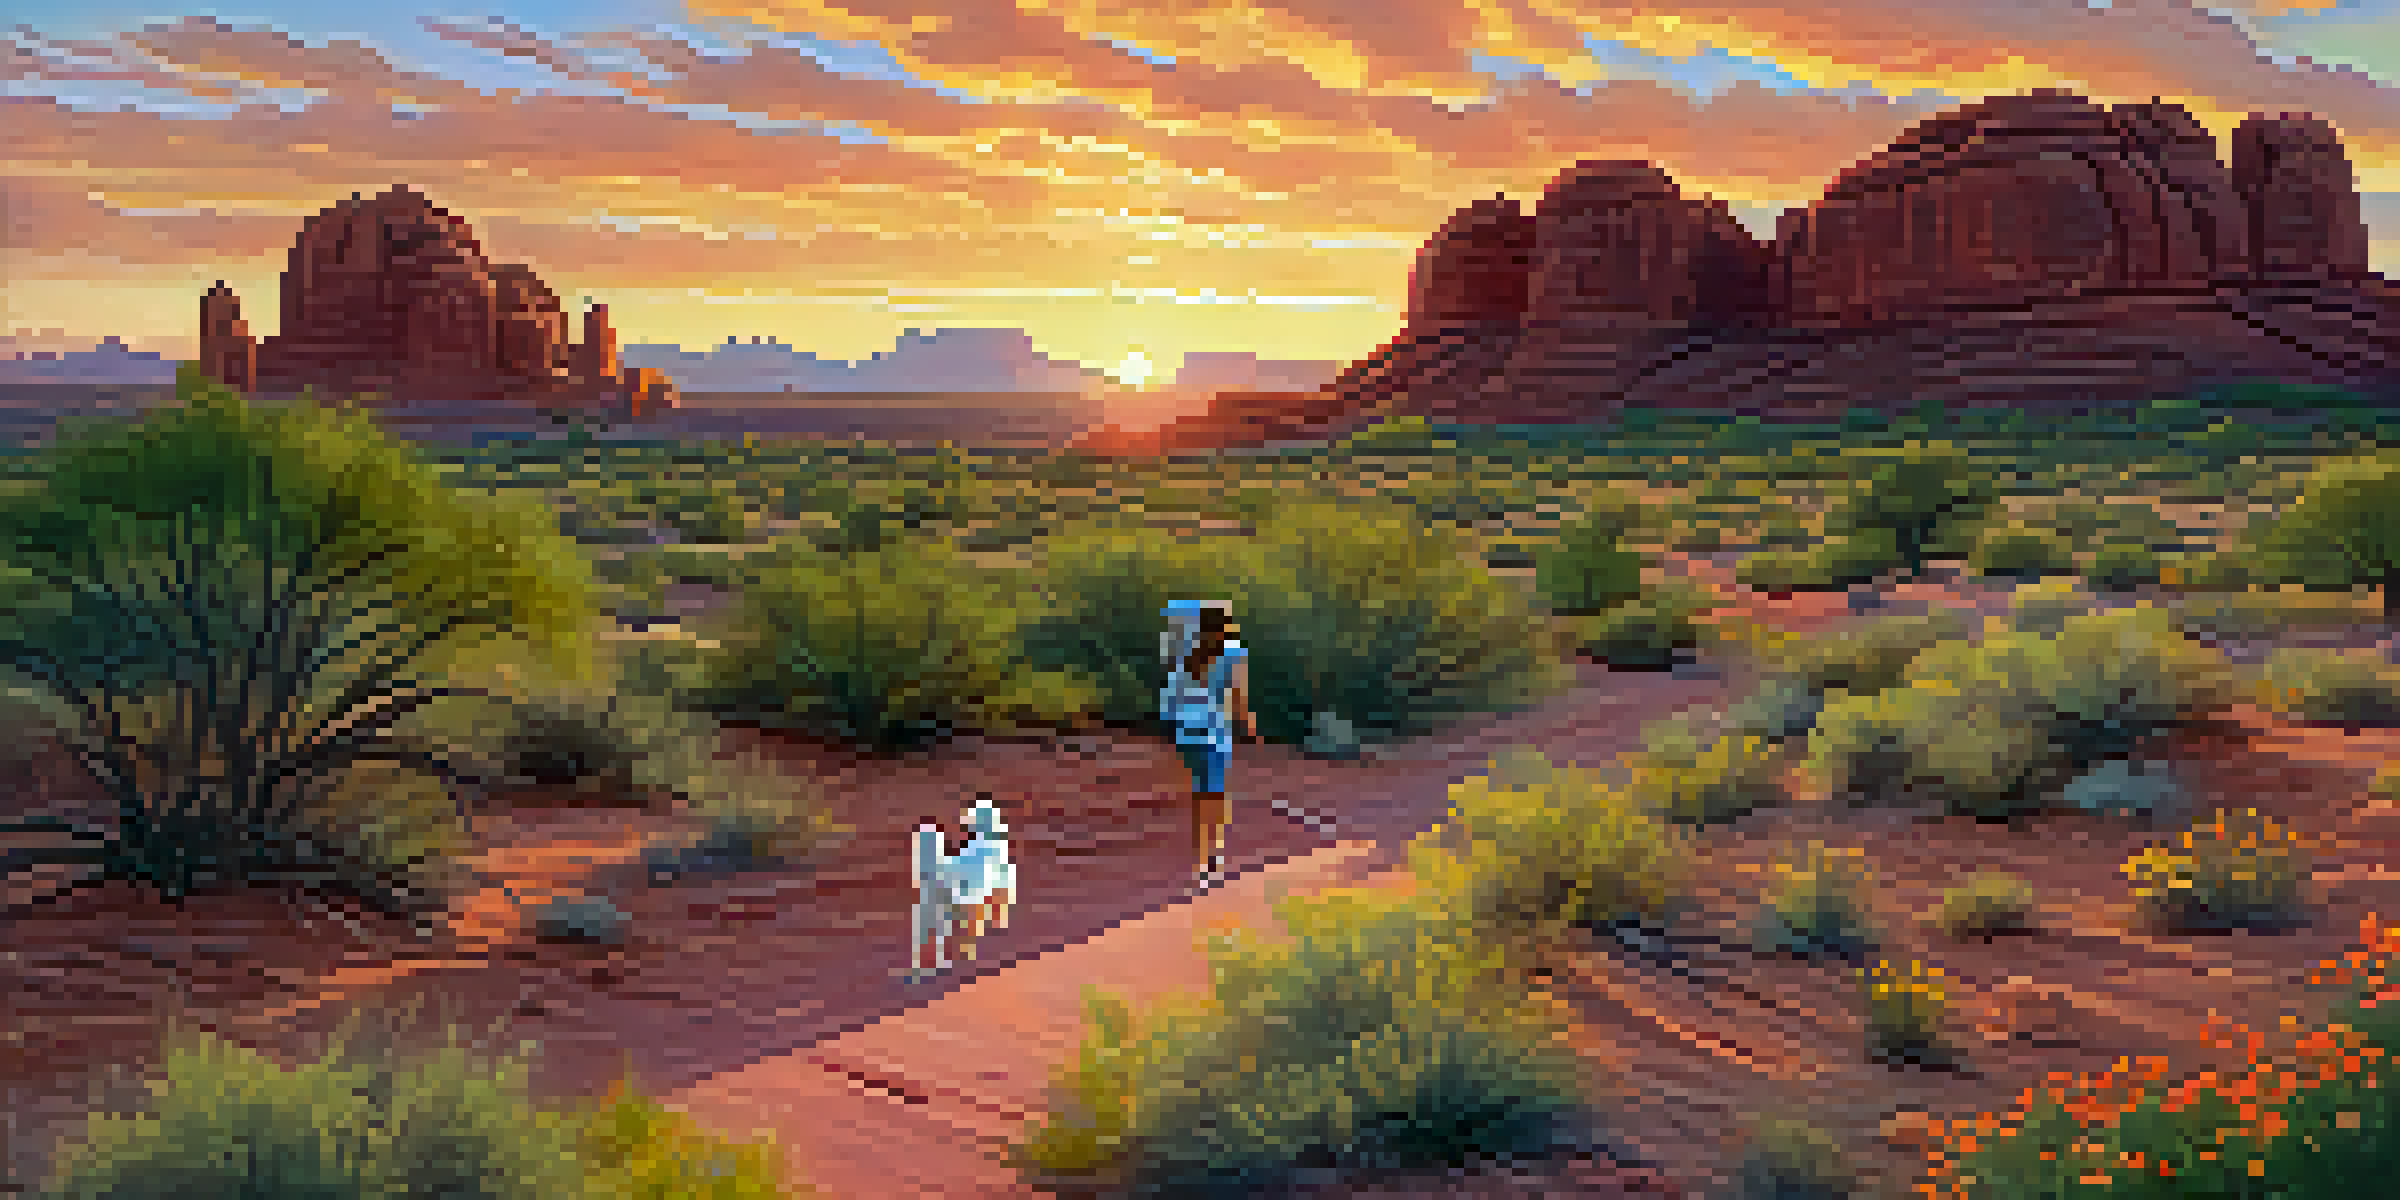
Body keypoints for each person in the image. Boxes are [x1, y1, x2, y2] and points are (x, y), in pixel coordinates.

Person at [1161, 600, 1254, 893]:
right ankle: (1210, 862)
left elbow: (1170, 703)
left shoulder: (1186, 657)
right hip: (1213, 734)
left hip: (1187, 735)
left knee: (1202, 796)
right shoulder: (1234, 654)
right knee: (1214, 797)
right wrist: (1249, 727)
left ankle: (1205, 859)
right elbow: (1238, 698)